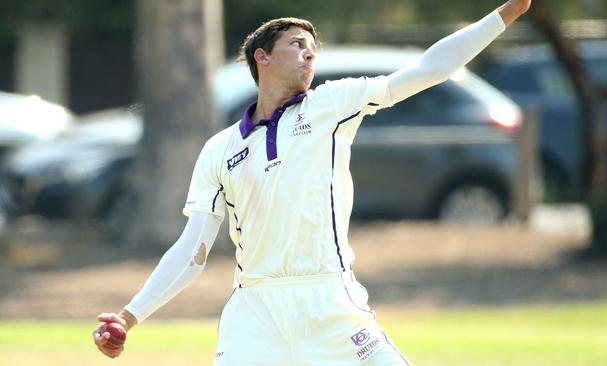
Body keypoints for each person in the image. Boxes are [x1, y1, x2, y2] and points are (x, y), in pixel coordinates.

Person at [93, 1, 531, 364]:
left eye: (313, 48)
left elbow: (427, 69)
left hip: (328, 302)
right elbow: (192, 252)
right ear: (261, 58)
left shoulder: (331, 105)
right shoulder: (219, 149)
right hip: (255, 313)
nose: (309, 54)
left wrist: (505, 13)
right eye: (297, 44)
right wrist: (129, 317)